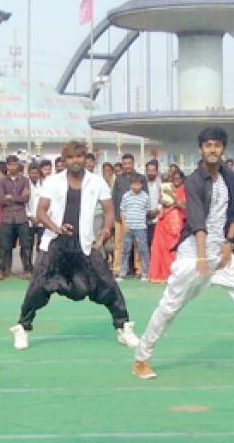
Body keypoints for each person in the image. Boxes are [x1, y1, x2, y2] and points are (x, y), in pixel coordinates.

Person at [133, 127, 234, 381]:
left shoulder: (229, 177)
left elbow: (233, 213)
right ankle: (141, 358)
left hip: (222, 254)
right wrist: (202, 257)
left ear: (223, 149)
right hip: (194, 253)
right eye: (208, 145)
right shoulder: (194, 181)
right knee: (170, 306)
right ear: (201, 149)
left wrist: (228, 244)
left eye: (217, 145)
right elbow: (197, 221)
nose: (212, 150)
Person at [10, 140, 139, 351]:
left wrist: (106, 231)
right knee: (38, 286)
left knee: (107, 284)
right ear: (65, 161)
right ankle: (22, 327)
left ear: (86, 159)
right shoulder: (52, 181)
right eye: (70, 158)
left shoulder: (97, 182)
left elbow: (108, 210)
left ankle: (123, 327)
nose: (75, 161)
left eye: (79, 157)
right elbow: (41, 211)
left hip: (85, 244)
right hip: (54, 244)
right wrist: (56, 227)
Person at [0, 155, 31, 278]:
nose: (13, 167)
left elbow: (26, 198)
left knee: (26, 245)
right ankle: (2, 271)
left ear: (18, 165)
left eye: (15, 164)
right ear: (7, 166)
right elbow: (1, 200)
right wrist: (17, 198)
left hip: (22, 217)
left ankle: (27, 271)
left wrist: (10, 197)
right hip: (7, 217)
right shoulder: (2, 181)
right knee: (4, 246)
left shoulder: (25, 180)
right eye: (10, 164)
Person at [148, 172, 185, 284]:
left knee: (172, 247)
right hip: (163, 218)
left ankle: (173, 274)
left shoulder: (184, 190)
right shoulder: (165, 187)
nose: (176, 180)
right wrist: (163, 197)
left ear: (182, 179)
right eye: (174, 178)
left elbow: (183, 206)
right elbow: (161, 201)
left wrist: (172, 198)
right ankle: (161, 275)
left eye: (178, 178)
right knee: (160, 247)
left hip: (174, 219)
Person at [117, 175, 151, 281]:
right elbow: (122, 211)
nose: (136, 186)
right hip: (128, 227)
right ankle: (122, 273)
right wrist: (124, 224)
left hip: (141, 227)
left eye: (138, 184)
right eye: (134, 184)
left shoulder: (145, 196)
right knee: (125, 250)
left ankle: (145, 273)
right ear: (130, 184)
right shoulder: (126, 196)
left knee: (143, 250)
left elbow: (147, 211)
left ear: (141, 184)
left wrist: (143, 221)